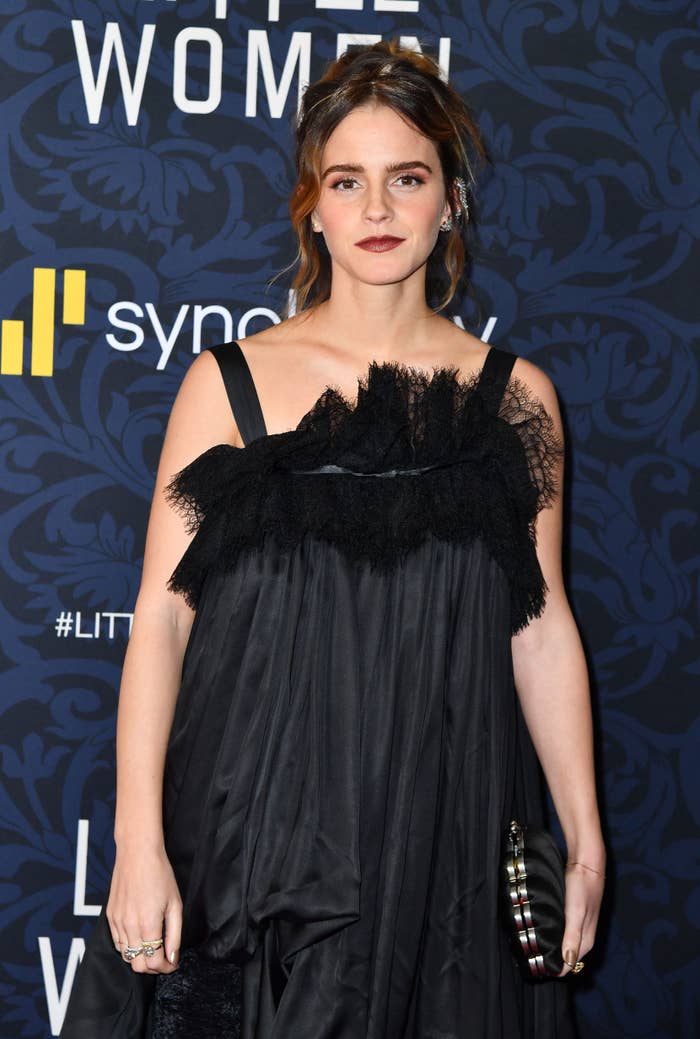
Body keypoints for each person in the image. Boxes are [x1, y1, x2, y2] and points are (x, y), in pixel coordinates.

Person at [62, 40, 605, 1039]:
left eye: (408, 178)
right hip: (249, 840)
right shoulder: (225, 385)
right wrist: (138, 841)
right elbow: (162, 621)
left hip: (444, 844)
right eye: (347, 181)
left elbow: (539, 628)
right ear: (312, 205)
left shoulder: (515, 399)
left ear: (450, 201)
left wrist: (583, 840)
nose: (378, 209)